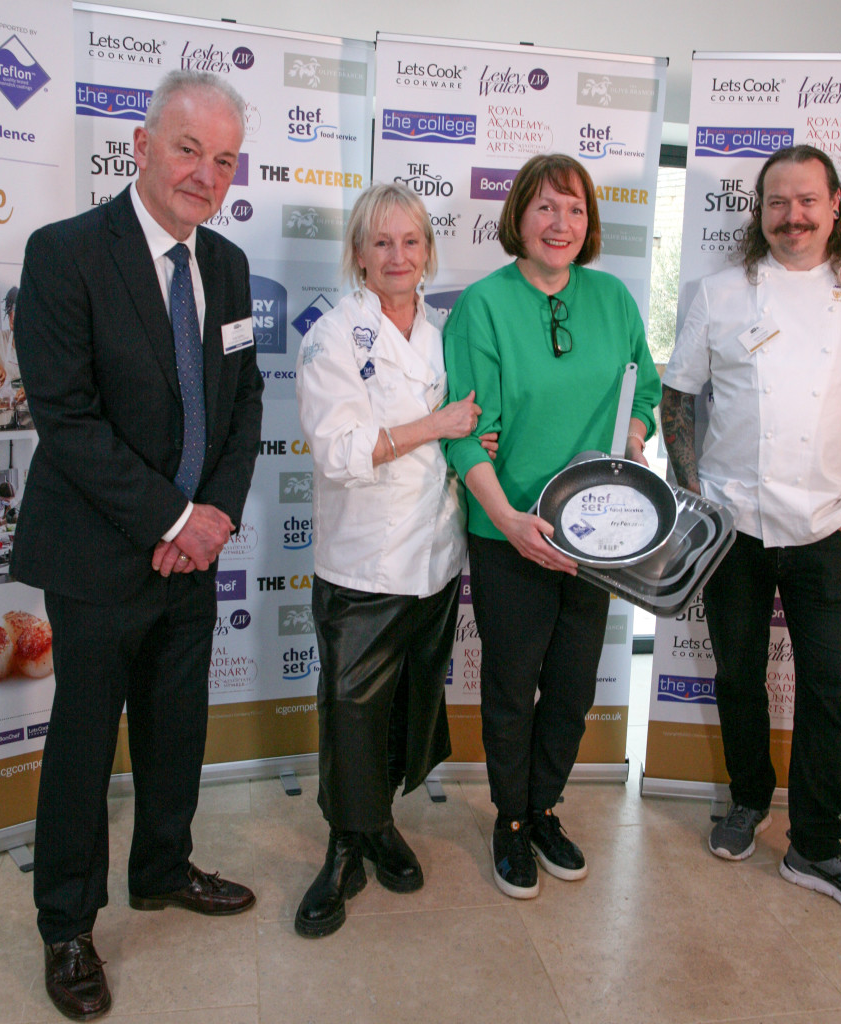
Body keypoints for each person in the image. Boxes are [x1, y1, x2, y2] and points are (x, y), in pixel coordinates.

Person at [12, 69, 264, 1019]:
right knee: (84, 741)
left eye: (225, 158)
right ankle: (67, 927)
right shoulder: (66, 253)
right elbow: (67, 419)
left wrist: (216, 520)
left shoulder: (230, 266)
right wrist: (173, 517)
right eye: (189, 149)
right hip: (99, 553)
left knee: (176, 725)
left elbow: (244, 407)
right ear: (141, 146)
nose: (206, 173)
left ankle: (163, 866)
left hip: (194, 553)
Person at [661, 144, 841, 922]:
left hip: (827, 530)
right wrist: (691, 491)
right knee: (739, 677)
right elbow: (680, 397)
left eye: (807, 200)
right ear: (760, 211)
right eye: (778, 202)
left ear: (835, 205)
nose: (793, 216)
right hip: (733, 530)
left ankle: (815, 843)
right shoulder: (718, 293)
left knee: (829, 691)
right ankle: (747, 800)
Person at [442, 154, 661, 899]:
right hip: (512, 531)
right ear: (518, 219)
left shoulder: (615, 300)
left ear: (589, 223)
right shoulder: (484, 306)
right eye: (543, 208)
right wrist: (507, 519)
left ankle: (543, 809)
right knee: (512, 684)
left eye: (573, 209)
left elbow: (647, 389)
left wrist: (632, 436)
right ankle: (508, 821)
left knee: (571, 686)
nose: (559, 223)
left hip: (597, 535)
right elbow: (468, 434)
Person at [294, 183, 494, 938]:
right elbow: (342, 451)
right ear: (358, 256)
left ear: (427, 252)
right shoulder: (332, 336)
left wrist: (471, 438)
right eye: (381, 243)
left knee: (408, 706)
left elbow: (470, 427)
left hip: (436, 558)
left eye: (411, 242)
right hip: (363, 562)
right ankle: (343, 847)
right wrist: (435, 424)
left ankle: (378, 826)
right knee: (349, 712)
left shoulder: (447, 331)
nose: (398, 257)